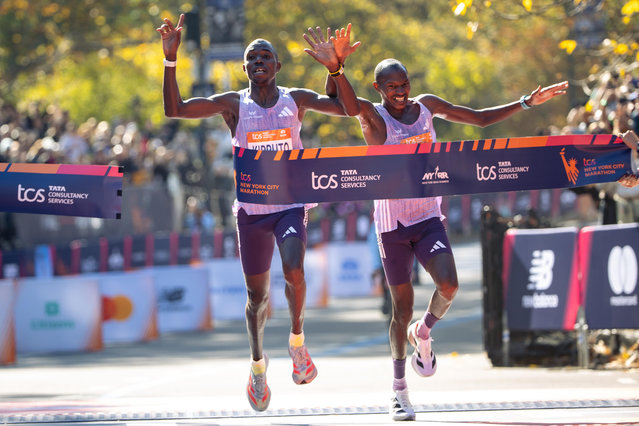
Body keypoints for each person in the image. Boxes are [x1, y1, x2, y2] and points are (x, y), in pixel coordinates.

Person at [312, 26, 571, 421]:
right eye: (392, 87)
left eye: (404, 84)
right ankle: (399, 389)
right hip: (392, 224)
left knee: (448, 285)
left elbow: (481, 120)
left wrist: (525, 102)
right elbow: (348, 106)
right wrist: (336, 69)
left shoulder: (427, 106)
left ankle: (426, 332)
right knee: (401, 309)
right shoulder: (373, 116)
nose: (400, 92)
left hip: (428, 216)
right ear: (379, 88)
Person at [157, 15, 359, 412]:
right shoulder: (234, 105)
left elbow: (348, 109)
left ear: (277, 66)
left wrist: (335, 68)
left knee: (295, 268)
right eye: (253, 57)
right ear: (245, 67)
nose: (259, 61)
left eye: (266, 56)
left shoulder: (295, 99)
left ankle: (298, 342)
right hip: (251, 210)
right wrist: (170, 60)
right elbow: (175, 109)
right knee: (257, 299)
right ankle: (257, 366)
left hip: (290, 205)